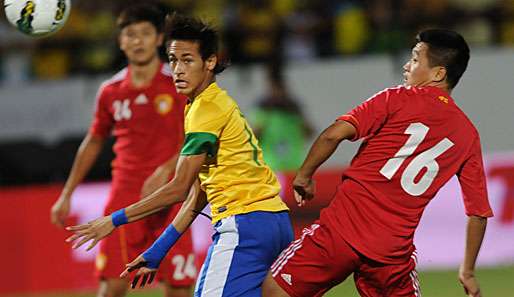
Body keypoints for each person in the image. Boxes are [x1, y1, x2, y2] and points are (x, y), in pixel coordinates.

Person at [65, 13, 293, 297]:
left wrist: (114, 220)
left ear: (210, 62)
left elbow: (178, 188)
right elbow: (197, 194)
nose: (178, 70)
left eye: (187, 60)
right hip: (274, 221)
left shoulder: (203, 111)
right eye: (173, 60)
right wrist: (158, 250)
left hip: (243, 224)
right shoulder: (214, 102)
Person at [262, 29, 493, 297]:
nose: (408, 65)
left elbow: (333, 134)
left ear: (438, 73)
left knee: (273, 292)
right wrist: (468, 270)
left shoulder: (397, 97)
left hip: (339, 233)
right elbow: (478, 213)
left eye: (416, 59)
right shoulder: (467, 135)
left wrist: (304, 176)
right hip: (390, 256)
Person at [50, 4, 195, 297]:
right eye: (131, 34)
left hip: (172, 194)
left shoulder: (178, 84)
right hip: (125, 195)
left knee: (179, 289)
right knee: (112, 286)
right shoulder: (111, 90)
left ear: (158, 40)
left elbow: (197, 137)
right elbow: (93, 140)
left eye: (145, 33)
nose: (138, 41)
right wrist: (67, 194)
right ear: (121, 41)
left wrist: (167, 169)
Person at [251, 66, 313, 172]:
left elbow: (309, 133)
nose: (278, 94)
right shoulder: (262, 110)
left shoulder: (293, 111)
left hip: (294, 165)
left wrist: (298, 114)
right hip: (271, 167)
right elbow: (253, 137)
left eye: (280, 89)